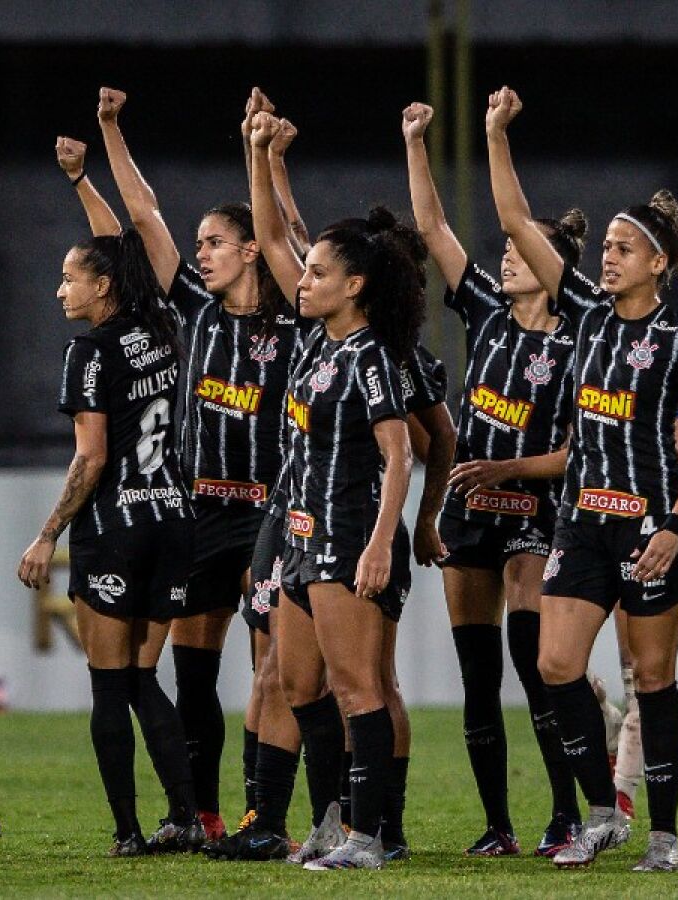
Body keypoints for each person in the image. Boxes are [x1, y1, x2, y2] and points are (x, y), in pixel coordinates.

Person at [484, 86, 678, 871]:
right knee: (554, 666)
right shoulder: (582, 309)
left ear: (657, 262)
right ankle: (598, 813)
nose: (608, 257)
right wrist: (496, 136)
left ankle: (662, 835)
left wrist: (676, 526)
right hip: (583, 519)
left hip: (650, 524)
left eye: (624, 248)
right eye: (607, 247)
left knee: (653, 678)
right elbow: (518, 221)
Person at [404, 99, 620, 857]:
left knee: (537, 672)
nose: (505, 258)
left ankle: (567, 814)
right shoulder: (490, 313)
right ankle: (497, 825)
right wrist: (416, 143)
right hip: (472, 512)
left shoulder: (580, 340)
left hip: (535, 512)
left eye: (523, 253)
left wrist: (507, 467)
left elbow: (577, 454)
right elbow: (432, 231)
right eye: (505, 250)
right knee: (476, 678)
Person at [94, 86, 301, 841]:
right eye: (200, 242)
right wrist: (112, 127)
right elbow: (143, 214)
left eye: (214, 241)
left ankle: (263, 813)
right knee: (192, 670)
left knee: (273, 669)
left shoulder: (295, 314)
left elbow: (291, 234)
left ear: (251, 249)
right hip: (199, 511)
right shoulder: (194, 309)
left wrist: (267, 158)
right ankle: (201, 814)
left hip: (269, 514)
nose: (201, 252)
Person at [250, 110, 421, 871]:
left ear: (355, 287)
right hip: (297, 530)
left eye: (320, 273)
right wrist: (257, 155)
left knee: (359, 689)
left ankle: (370, 835)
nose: (305, 280)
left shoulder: (373, 358)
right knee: (297, 682)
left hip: (349, 533)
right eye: (307, 270)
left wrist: (383, 542)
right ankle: (328, 820)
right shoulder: (318, 338)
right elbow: (274, 234)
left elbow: (401, 455)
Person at [17, 228, 202, 857]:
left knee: (109, 685)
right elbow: (134, 235)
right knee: (145, 679)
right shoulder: (162, 332)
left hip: (116, 529)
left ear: (104, 285)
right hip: (173, 518)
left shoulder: (88, 350)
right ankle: (185, 816)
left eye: (70, 277)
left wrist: (47, 535)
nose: (60, 288)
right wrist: (82, 179)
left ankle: (127, 831)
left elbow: (90, 458)